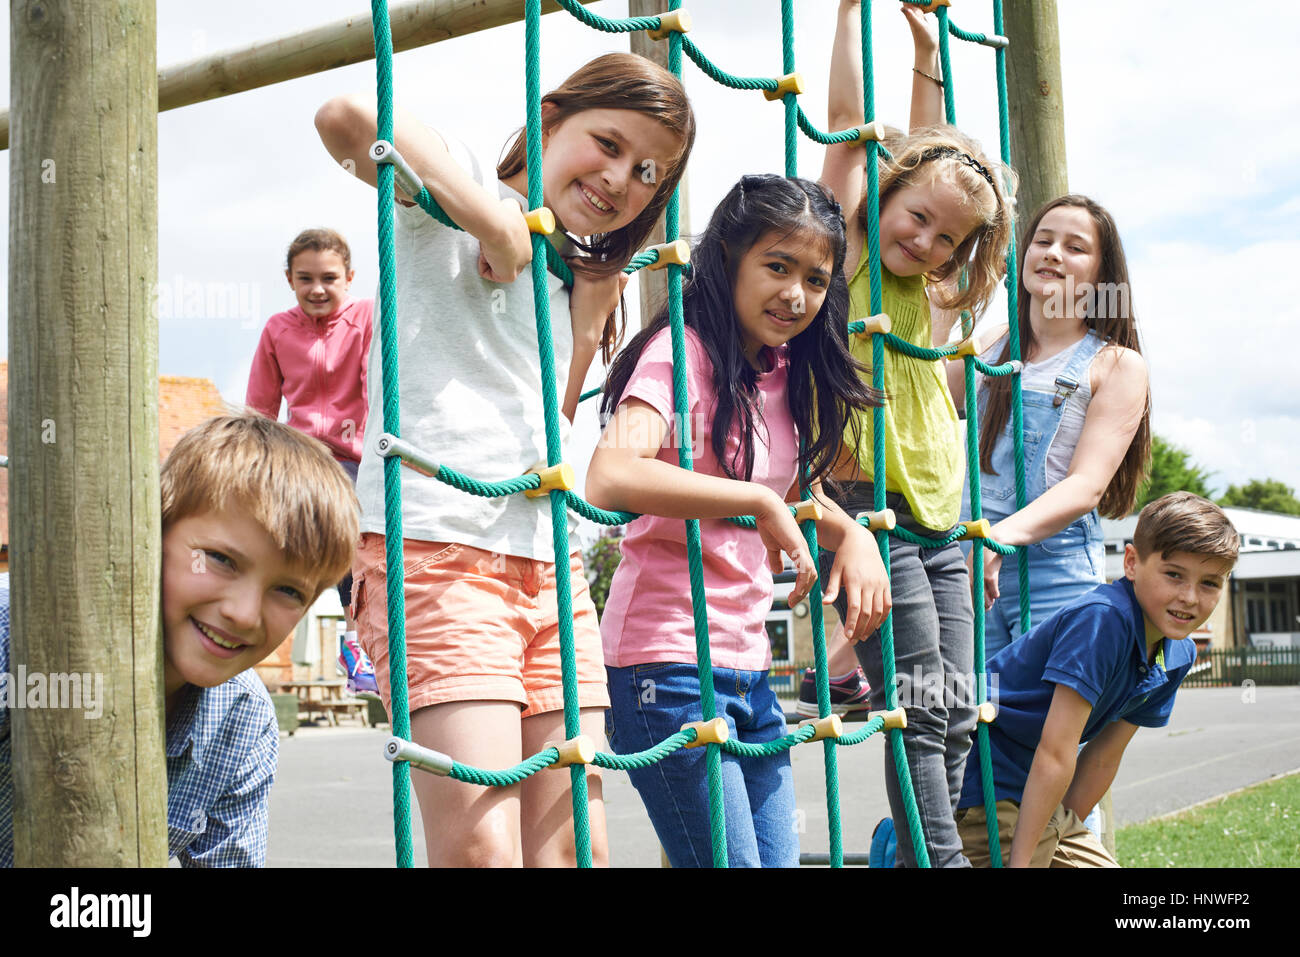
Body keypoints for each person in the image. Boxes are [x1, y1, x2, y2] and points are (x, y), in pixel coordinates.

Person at [314, 52, 695, 867]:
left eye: (647, 173)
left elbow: (545, 431)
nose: (621, 178)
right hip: (435, 548)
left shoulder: (573, 280)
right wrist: (492, 223)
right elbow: (345, 118)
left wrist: (590, 325)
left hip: (547, 569)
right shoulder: (452, 200)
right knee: (483, 850)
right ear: (552, 118)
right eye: (609, 143)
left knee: (570, 851)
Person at [586, 174, 890, 867]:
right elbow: (609, 475)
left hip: (749, 668)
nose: (795, 294)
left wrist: (855, 532)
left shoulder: (779, 371)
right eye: (776, 266)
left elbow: (794, 485)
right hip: (665, 665)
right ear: (726, 258)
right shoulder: (682, 353)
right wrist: (758, 502)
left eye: (814, 279)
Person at [816, 0, 1015, 867]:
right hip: (870, 504)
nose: (927, 240)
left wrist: (929, 47)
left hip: (942, 512)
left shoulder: (932, 297)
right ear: (883, 195)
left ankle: (912, 853)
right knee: (918, 702)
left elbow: (936, 154)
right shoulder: (846, 255)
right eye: (916, 216)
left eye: (948, 238)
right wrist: (853, 10)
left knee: (961, 702)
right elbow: (848, 127)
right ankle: (944, 862)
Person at [0, 413, 359, 867]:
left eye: (288, 591)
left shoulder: (242, 721)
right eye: (221, 560)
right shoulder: (14, 635)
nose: (243, 614)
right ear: (152, 534)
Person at [954, 492, 1238, 867]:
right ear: (1132, 563)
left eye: (1209, 584)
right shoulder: (1103, 621)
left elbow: (1104, 757)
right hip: (985, 780)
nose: (1189, 597)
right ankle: (903, 847)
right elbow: (1056, 751)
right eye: (1174, 575)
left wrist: (1063, 833)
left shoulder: (1178, 653)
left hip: (1041, 796)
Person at [953, 195, 1150, 658]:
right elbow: (921, 395)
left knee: (1047, 718)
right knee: (969, 718)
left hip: (1052, 567)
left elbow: (1086, 487)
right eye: (1043, 240)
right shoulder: (992, 343)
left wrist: (996, 540)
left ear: (1102, 275)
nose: (1053, 253)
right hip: (966, 559)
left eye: (1074, 247)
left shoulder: (1115, 364)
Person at [246, 227, 375, 692]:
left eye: (329, 278)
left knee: (360, 540)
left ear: (349, 277)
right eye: (305, 278)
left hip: (360, 456)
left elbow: (376, 383)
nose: (317, 289)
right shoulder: (278, 330)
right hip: (304, 456)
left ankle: (357, 640)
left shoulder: (366, 318)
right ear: (289, 279)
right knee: (289, 540)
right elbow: (261, 406)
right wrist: (258, 466)